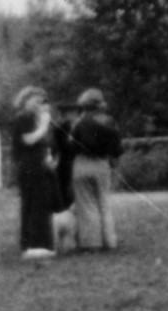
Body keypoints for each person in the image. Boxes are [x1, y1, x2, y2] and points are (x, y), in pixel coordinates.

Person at [10, 87, 62, 260]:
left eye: (43, 102)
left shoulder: (34, 119)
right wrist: (44, 125)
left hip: (39, 165)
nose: (41, 105)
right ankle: (35, 245)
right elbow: (29, 140)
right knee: (35, 205)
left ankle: (37, 244)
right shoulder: (22, 119)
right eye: (37, 101)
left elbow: (44, 143)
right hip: (29, 166)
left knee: (40, 204)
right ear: (26, 101)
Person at [67, 89, 123, 251]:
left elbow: (71, 145)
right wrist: (114, 166)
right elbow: (117, 149)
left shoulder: (79, 122)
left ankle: (92, 244)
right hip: (102, 164)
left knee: (86, 205)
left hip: (82, 164)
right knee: (104, 203)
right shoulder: (110, 121)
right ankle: (109, 241)